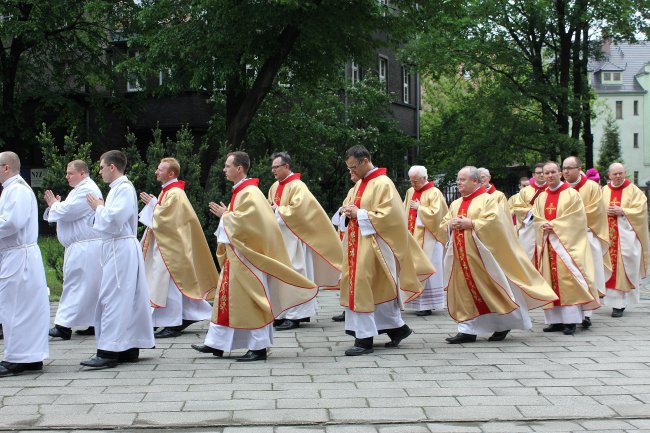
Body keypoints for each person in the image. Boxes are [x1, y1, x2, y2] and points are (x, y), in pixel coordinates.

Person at [192, 151, 318, 362]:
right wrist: (229, 216)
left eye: (227, 165)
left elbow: (253, 223)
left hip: (249, 259)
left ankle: (258, 347)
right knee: (228, 300)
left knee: (252, 300)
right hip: (238, 256)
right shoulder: (242, 191)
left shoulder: (250, 192)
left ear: (239, 169)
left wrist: (227, 216)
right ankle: (217, 343)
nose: (224, 169)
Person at [438, 166, 557, 344]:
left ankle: (502, 324)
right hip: (461, 257)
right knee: (464, 291)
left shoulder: (489, 200)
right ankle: (467, 330)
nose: (458, 182)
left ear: (475, 181)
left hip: (484, 258)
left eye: (462, 179)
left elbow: (496, 223)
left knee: (493, 290)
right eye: (458, 179)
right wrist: (450, 224)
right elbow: (443, 223)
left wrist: (471, 223)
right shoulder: (455, 204)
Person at [339, 145, 434, 356]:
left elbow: (391, 217)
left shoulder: (383, 183)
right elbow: (350, 206)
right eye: (349, 168)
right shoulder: (359, 185)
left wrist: (360, 213)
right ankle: (397, 329)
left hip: (375, 246)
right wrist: (347, 210)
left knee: (364, 286)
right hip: (358, 245)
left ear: (365, 161)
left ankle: (363, 339)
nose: (351, 172)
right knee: (375, 289)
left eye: (353, 167)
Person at [83, 150, 155, 369]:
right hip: (118, 247)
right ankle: (127, 347)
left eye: (102, 167)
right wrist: (101, 208)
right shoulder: (117, 189)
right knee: (127, 298)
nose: (100, 171)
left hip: (120, 248)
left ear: (112, 167)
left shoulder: (123, 188)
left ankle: (108, 350)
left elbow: (114, 219)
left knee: (113, 297)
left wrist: (98, 207)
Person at [139, 158, 217, 338]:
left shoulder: (175, 193)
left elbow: (167, 219)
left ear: (171, 173)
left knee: (170, 286)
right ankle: (188, 315)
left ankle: (172, 323)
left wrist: (152, 205)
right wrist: (154, 205)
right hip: (167, 245)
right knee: (169, 285)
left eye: (160, 170)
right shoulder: (169, 192)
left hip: (172, 249)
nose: (156, 172)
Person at [267, 152, 342, 331]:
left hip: (295, 240)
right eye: (272, 168)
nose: (273, 171)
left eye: (276, 167)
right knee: (280, 278)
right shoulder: (274, 186)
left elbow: (300, 212)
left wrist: (277, 211)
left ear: (286, 166)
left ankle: (296, 315)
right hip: (280, 240)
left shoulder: (298, 186)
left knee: (296, 274)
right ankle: (282, 313)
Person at [533, 161, 599, 335]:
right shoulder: (541, 197)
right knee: (550, 281)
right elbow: (537, 218)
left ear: (560, 174)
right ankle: (555, 321)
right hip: (548, 244)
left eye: (553, 172)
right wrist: (543, 225)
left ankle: (571, 320)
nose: (549, 176)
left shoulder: (571, 194)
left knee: (568, 280)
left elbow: (577, 218)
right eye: (546, 173)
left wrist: (554, 225)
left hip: (566, 245)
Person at [0, 151, 49, 377]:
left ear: (6, 168)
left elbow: (12, 222)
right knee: (24, 307)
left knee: (16, 307)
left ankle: (17, 358)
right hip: (18, 255)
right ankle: (30, 356)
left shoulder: (16, 190)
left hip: (18, 255)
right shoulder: (13, 189)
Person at [44, 160, 103, 340]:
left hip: (85, 246)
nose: (67, 176)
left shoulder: (87, 189)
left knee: (75, 285)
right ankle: (94, 322)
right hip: (82, 246)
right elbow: (64, 212)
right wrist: (56, 207)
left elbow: (68, 211)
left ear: (82, 173)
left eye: (70, 173)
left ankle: (63, 326)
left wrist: (54, 204)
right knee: (88, 287)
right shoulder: (78, 190)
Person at [562, 156, 611, 328]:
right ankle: (567, 314)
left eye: (570, 167)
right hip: (565, 238)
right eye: (564, 168)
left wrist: (567, 220)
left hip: (586, 235)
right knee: (569, 277)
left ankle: (587, 313)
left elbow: (596, 211)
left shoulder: (591, 187)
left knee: (588, 274)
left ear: (579, 168)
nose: (566, 171)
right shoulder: (560, 189)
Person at [602, 162, 649, 317]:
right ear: (609, 175)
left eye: (621, 173)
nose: (618, 176)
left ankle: (620, 304)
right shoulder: (604, 190)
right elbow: (598, 209)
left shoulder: (633, 190)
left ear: (625, 173)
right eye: (615, 174)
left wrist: (622, 211)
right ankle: (612, 302)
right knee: (609, 268)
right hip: (608, 237)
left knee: (624, 268)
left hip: (625, 238)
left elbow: (640, 210)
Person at [403, 165, 448, 316]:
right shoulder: (410, 192)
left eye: (415, 181)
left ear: (424, 178)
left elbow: (438, 215)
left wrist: (420, 208)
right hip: (412, 236)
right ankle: (415, 301)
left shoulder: (434, 193)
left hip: (430, 239)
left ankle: (428, 304)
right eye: (411, 181)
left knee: (428, 268)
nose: (413, 184)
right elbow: (404, 211)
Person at [330, 172, 361, 323]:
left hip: (362, 240)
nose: (350, 173)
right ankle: (347, 307)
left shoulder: (374, 186)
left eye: (353, 170)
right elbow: (344, 211)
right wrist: (344, 211)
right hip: (350, 238)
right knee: (346, 275)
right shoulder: (352, 190)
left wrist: (356, 213)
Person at [511, 163, 547, 261]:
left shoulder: (550, 190)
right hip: (529, 228)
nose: (541, 175)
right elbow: (517, 208)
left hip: (546, 228)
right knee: (528, 257)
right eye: (538, 173)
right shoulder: (525, 191)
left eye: (544, 173)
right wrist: (533, 211)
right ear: (533, 175)